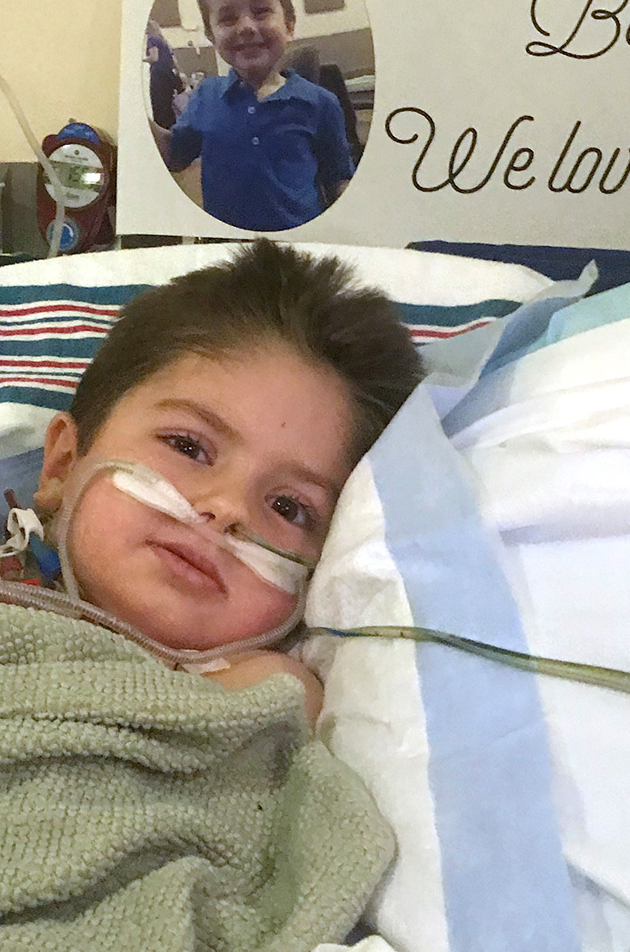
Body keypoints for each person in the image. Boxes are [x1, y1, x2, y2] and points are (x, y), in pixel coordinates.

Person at [31, 241, 423, 719]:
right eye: (188, 447)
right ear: (63, 464)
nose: (229, 508)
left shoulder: (277, 707)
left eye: (288, 508)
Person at [150, 0, 356, 232]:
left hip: (297, 250)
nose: (246, 26)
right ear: (211, 36)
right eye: (228, 18)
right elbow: (176, 156)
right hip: (225, 249)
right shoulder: (205, 96)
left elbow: (338, 179)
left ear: (290, 25)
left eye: (260, 11)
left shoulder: (321, 103)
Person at [145, 21, 184, 130]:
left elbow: (154, 58)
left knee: (159, 105)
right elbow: (174, 62)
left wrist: (141, 60)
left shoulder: (151, 39)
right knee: (167, 105)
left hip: (159, 75)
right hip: (169, 75)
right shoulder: (163, 42)